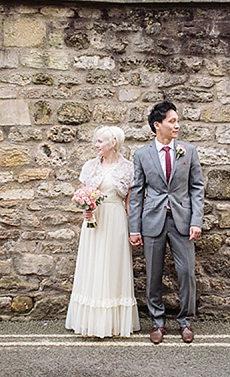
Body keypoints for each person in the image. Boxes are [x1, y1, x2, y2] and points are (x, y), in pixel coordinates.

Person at [129, 101, 204, 344]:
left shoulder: (188, 151)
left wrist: (197, 221)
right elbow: (137, 193)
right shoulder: (141, 155)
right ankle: (157, 322)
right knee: (153, 275)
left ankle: (185, 321)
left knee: (186, 273)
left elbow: (197, 188)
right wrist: (134, 228)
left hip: (183, 221)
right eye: (172, 121)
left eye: (177, 120)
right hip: (152, 222)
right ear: (157, 125)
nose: (177, 125)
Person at [65, 126, 140, 338]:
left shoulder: (127, 168)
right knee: (93, 265)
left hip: (116, 219)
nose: (96, 145)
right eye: (96, 142)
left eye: (100, 141)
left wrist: (134, 229)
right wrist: (85, 210)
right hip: (94, 222)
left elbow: (130, 203)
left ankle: (114, 322)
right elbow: (81, 193)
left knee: (113, 266)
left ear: (113, 143)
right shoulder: (90, 166)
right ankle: (90, 321)